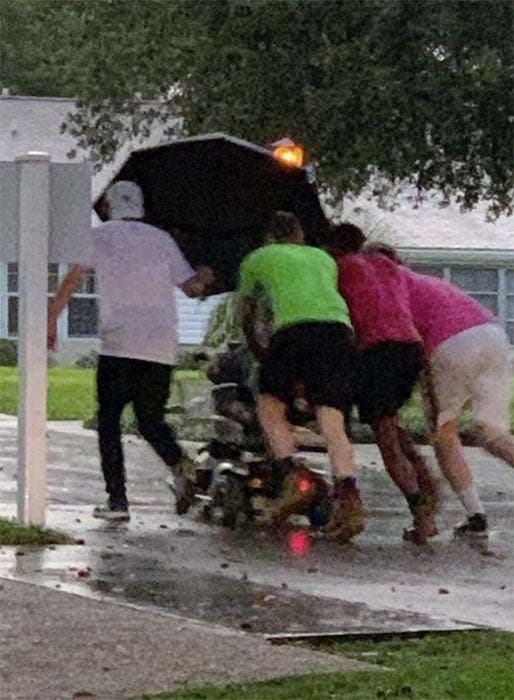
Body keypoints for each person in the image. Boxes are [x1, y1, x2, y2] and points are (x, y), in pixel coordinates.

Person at [48, 180, 213, 521]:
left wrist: (51, 319)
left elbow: (72, 279)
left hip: (120, 342)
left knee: (109, 421)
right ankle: (180, 464)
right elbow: (192, 288)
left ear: (109, 207)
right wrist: (204, 275)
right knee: (150, 420)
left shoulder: (97, 236)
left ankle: (118, 501)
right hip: (160, 343)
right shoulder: (162, 240)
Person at [237, 211, 364, 543]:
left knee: (270, 406)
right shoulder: (323, 258)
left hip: (293, 331)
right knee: (331, 418)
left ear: (270, 237)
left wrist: (262, 354)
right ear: (300, 235)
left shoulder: (257, 258)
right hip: (338, 332)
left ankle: (290, 474)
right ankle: (349, 495)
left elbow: (246, 316)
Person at [328, 223, 439, 544]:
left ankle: (421, 513)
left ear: (335, 249)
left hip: (377, 351)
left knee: (385, 441)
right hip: (410, 349)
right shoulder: (386, 265)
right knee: (387, 423)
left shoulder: (339, 267)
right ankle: (423, 484)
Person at [398, 264, 514, 536]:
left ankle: (475, 515)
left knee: (444, 432)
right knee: (492, 432)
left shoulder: (387, 285)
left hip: (450, 344)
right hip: (492, 335)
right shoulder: (428, 282)